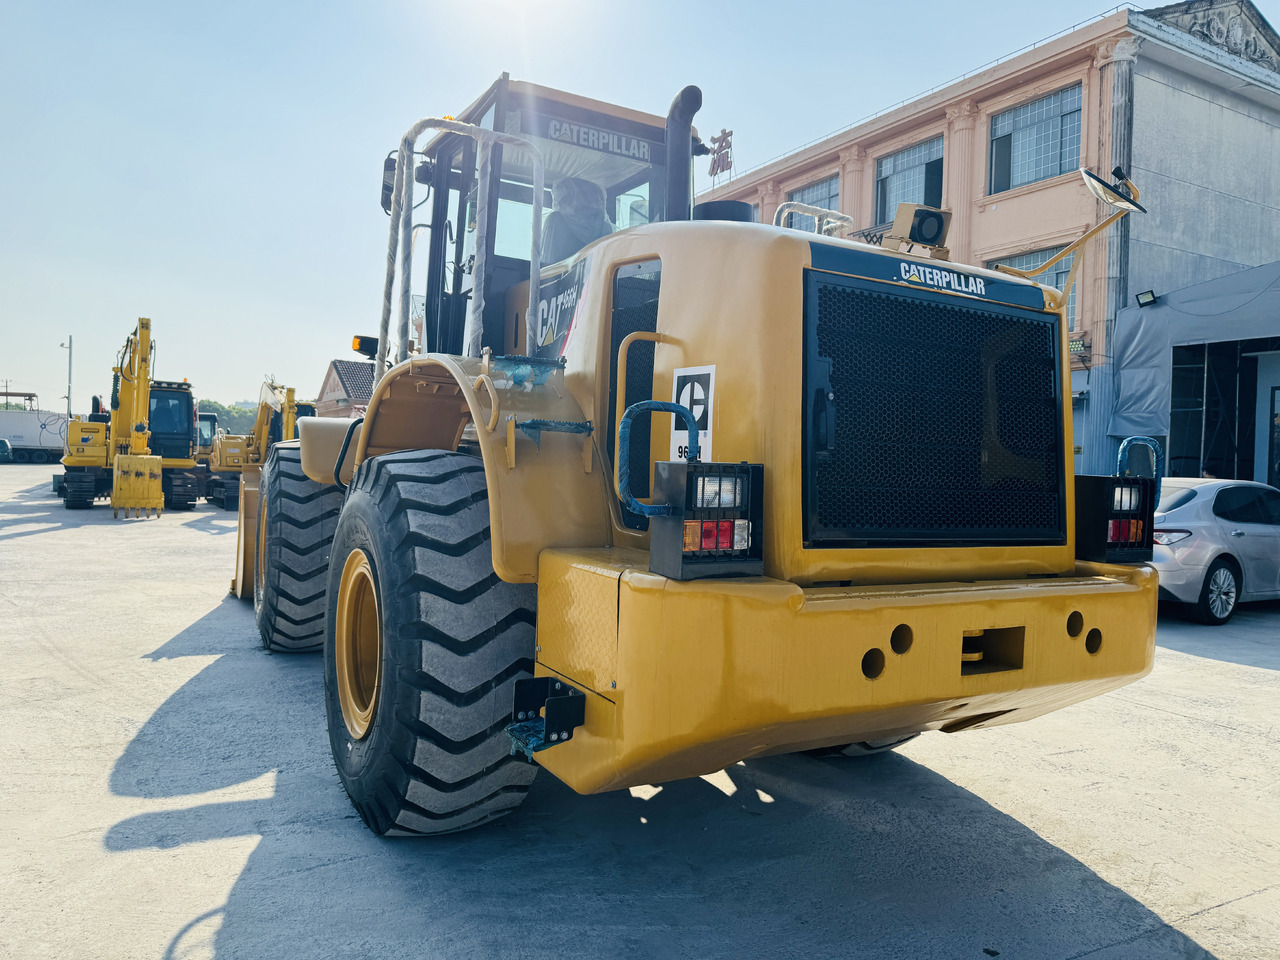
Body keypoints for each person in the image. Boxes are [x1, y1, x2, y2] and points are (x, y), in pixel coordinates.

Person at [542, 177, 614, 264]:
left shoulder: (555, 220)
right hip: (594, 276)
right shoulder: (605, 228)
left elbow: (547, 261)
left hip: (559, 275)